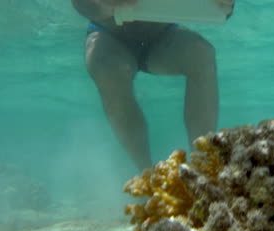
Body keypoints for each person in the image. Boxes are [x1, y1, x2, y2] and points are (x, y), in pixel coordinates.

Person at [71, 0, 235, 170]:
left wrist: (224, 6)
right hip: (108, 33)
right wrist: (103, 6)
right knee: (106, 69)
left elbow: (222, 12)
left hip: (161, 32)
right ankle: (145, 174)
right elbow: (79, 3)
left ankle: (204, 165)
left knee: (201, 54)